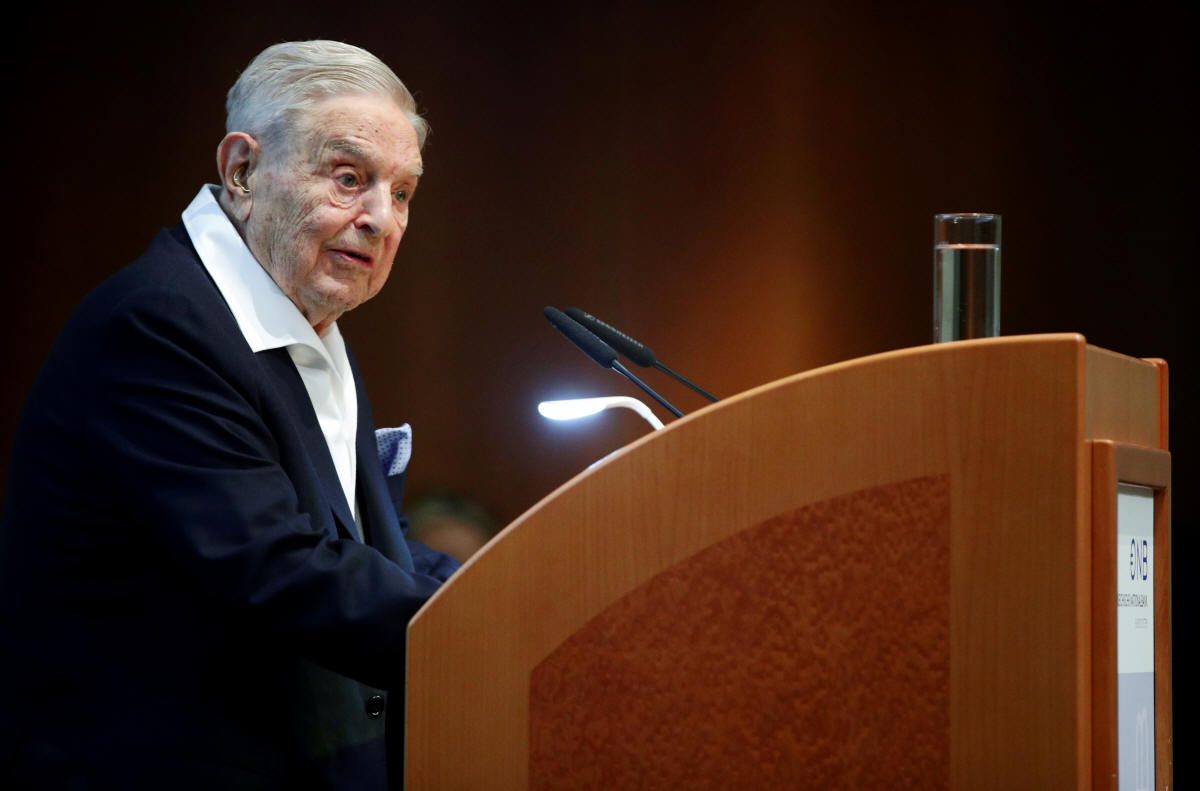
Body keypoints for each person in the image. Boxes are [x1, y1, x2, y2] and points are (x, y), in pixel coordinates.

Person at [0, 41, 460, 790]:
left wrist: (519, 593)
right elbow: (280, 568)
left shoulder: (303, 325)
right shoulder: (158, 326)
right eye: (349, 178)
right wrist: (489, 631)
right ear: (243, 170)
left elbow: (368, 546)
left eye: (403, 192)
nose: (382, 219)